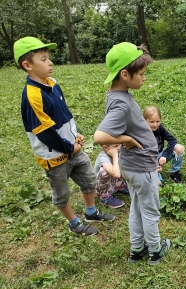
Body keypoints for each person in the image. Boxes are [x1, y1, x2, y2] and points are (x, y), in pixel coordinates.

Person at [13, 36, 114, 237]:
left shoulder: (52, 83)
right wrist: (69, 147)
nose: (50, 62)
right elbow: (44, 132)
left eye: (48, 58)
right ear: (27, 65)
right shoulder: (32, 96)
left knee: (88, 180)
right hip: (55, 157)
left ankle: (90, 212)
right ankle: (73, 223)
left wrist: (75, 135)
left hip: (72, 147)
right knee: (62, 193)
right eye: (43, 59)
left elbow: (64, 114)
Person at [93, 42, 171, 265]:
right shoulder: (122, 104)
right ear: (125, 74)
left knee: (137, 209)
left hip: (131, 166)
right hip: (141, 168)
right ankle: (155, 251)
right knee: (150, 211)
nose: (145, 78)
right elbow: (99, 137)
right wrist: (125, 139)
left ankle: (137, 250)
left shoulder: (117, 94)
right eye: (142, 74)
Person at [143, 106, 184, 184]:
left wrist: (164, 155)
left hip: (160, 155)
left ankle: (174, 173)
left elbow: (172, 140)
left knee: (179, 148)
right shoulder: (142, 132)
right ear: (144, 121)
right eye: (151, 122)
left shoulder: (160, 128)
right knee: (158, 184)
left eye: (157, 121)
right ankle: (157, 178)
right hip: (149, 159)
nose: (155, 124)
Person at [94, 144, 129, 208]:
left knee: (124, 163)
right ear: (105, 147)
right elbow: (116, 174)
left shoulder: (119, 151)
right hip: (100, 187)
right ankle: (104, 197)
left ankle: (121, 186)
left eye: (120, 144)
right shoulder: (103, 157)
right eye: (115, 146)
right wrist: (115, 157)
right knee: (104, 172)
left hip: (112, 182)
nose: (119, 147)